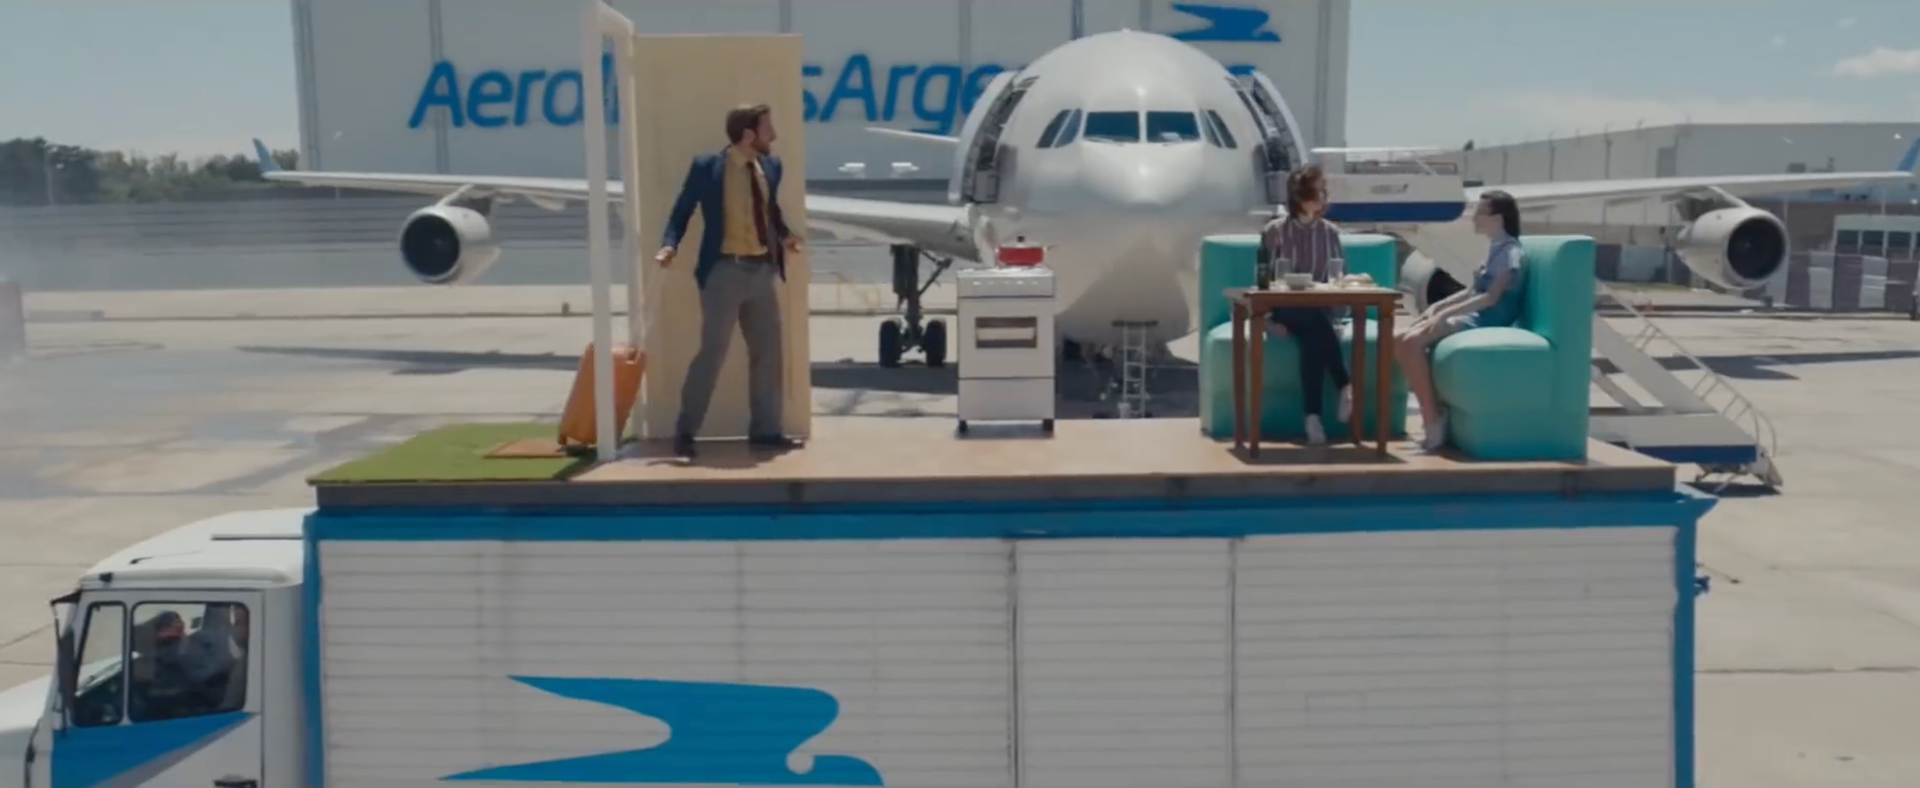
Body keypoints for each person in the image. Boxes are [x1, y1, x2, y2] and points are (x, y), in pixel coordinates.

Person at [657, 104, 805, 459]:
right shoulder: (708, 167)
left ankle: (766, 431)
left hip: (761, 270)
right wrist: (669, 244)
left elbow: (769, 212)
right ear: (748, 134)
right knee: (712, 353)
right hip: (723, 272)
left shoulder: (771, 167)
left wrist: (785, 235)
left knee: (768, 353)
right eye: (767, 127)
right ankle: (685, 432)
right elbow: (682, 211)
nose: (774, 135)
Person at [1392, 189, 1527, 452]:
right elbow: (1471, 290)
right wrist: (1437, 307)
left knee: (1411, 342)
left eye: (1480, 212)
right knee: (1399, 339)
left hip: (1487, 320)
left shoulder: (1510, 252)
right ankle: (1434, 409)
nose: (1474, 218)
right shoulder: (1493, 248)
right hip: (1475, 315)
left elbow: (1490, 297)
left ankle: (1432, 418)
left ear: (1498, 218)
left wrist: (1445, 315)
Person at [1259, 165, 1353, 446]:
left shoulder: (1330, 233)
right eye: (1316, 191)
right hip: (1285, 308)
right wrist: (1266, 321)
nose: (1322, 196)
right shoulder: (1275, 231)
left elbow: (1339, 276)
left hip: (1320, 310)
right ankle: (1344, 384)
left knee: (1312, 339)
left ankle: (1312, 419)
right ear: (1300, 197)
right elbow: (1263, 279)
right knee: (1310, 318)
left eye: (1323, 191)